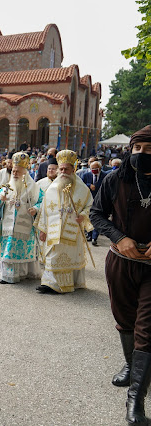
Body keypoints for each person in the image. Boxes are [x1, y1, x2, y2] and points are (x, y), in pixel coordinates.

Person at [89, 125, 151, 424]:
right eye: (137, 149)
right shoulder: (115, 179)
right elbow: (96, 214)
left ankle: (135, 403)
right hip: (120, 262)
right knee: (125, 319)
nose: (141, 155)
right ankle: (130, 366)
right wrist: (119, 237)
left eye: (149, 150)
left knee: (146, 329)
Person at [34, 150, 93, 294]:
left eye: (66, 169)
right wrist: (43, 230)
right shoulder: (52, 187)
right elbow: (44, 210)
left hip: (72, 231)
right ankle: (50, 283)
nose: (63, 172)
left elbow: (90, 206)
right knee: (52, 256)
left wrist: (83, 216)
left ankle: (69, 283)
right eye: (61, 169)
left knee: (70, 257)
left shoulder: (83, 189)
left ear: (74, 169)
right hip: (54, 230)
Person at [0, 152, 43, 284]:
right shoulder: (7, 187)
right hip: (8, 227)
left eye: (17, 171)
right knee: (9, 249)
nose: (14, 174)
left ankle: (25, 273)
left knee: (25, 250)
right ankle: (7, 275)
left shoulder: (35, 188)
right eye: (13, 171)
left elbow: (42, 201)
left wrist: (36, 209)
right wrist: (0, 200)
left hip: (26, 225)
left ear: (25, 172)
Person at [82, 160, 107, 246]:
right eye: (92, 168)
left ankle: (94, 237)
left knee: (97, 218)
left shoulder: (105, 176)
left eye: (95, 168)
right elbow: (81, 185)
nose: (93, 170)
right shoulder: (86, 175)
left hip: (100, 201)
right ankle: (89, 234)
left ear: (100, 168)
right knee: (88, 218)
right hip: (88, 200)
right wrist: (89, 185)